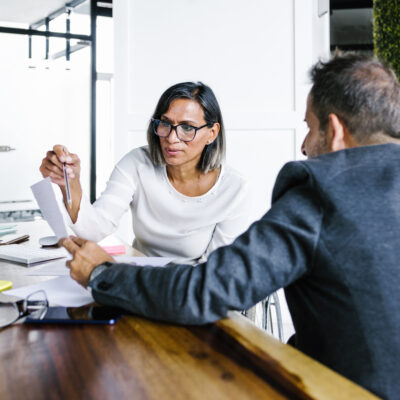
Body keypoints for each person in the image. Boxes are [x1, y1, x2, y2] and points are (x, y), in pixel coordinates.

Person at [61, 54, 400, 399]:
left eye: (310, 128)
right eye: (166, 124)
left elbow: (209, 289)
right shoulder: (138, 162)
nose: (303, 146)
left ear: (337, 131)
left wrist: (102, 274)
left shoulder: (318, 193)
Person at [40, 82, 251, 264]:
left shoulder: (233, 189)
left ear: (212, 133)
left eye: (187, 128)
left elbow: (216, 274)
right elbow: (94, 230)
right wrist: (70, 182)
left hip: (191, 291)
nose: (172, 138)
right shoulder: (137, 163)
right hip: (140, 280)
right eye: (165, 124)